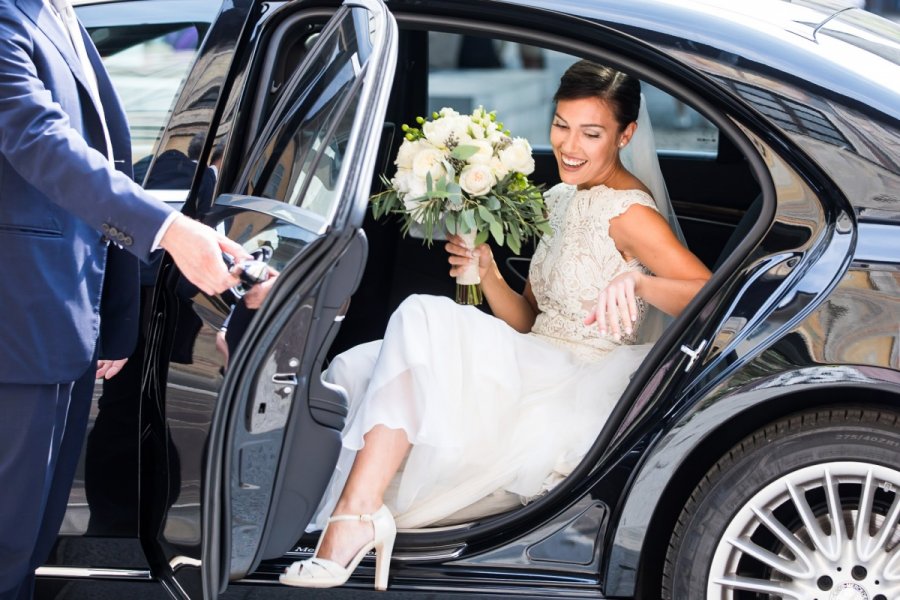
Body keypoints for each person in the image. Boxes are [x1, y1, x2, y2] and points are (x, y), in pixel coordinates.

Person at [277, 60, 712, 591]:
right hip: (536, 355)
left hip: (578, 378)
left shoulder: (631, 215)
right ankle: (301, 519)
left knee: (420, 314)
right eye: (561, 125)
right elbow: (532, 318)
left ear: (626, 134)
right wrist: (486, 274)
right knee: (359, 365)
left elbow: (708, 292)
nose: (570, 146)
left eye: (591, 133)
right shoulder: (558, 198)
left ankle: (357, 518)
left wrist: (640, 285)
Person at [0, 1, 250, 598]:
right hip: (18, 321)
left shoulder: (59, 15)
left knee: (25, 545)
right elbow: (38, 139)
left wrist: (112, 320)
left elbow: (108, 160)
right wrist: (169, 230)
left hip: (61, 326)